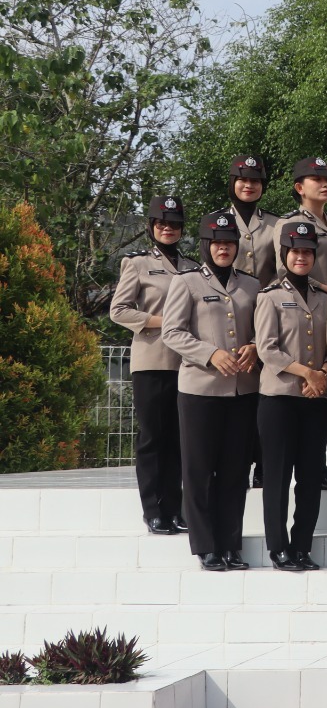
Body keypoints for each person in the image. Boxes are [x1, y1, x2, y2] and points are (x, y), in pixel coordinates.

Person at [160, 212, 260, 571]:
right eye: (217, 243)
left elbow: (262, 330)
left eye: (229, 243)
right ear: (206, 245)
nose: (224, 248)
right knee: (200, 470)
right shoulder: (187, 282)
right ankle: (206, 545)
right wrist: (210, 353)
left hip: (242, 390)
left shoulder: (251, 285)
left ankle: (231, 543)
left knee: (236, 471)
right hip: (200, 389)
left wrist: (255, 347)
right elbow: (172, 332)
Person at [111, 196, 199, 535]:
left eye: (174, 223)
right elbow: (119, 310)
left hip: (186, 363)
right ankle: (153, 510)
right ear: (151, 226)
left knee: (179, 438)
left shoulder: (193, 267)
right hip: (152, 359)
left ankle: (175, 508)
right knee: (153, 437)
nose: (168, 228)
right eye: (162, 222)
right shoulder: (137, 263)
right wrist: (163, 320)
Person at [253, 222, 327, 571]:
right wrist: (308, 373)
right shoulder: (269, 296)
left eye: (307, 251)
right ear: (284, 254)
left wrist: (324, 375)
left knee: (310, 477)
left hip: (316, 399)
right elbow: (266, 349)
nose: (301, 257)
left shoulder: (326, 297)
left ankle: (302, 545)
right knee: (278, 477)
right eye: (295, 251)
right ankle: (279, 547)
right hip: (280, 398)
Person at [274, 157, 327, 287]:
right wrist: (323, 288)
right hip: (309, 301)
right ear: (299, 188)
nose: (325, 184)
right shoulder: (289, 223)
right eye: (317, 179)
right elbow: (284, 271)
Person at [223, 154, 279, 282]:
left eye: (255, 181)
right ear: (233, 182)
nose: (249, 185)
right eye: (243, 179)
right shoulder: (216, 221)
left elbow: (284, 267)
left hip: (269, 298)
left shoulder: (277, 223)